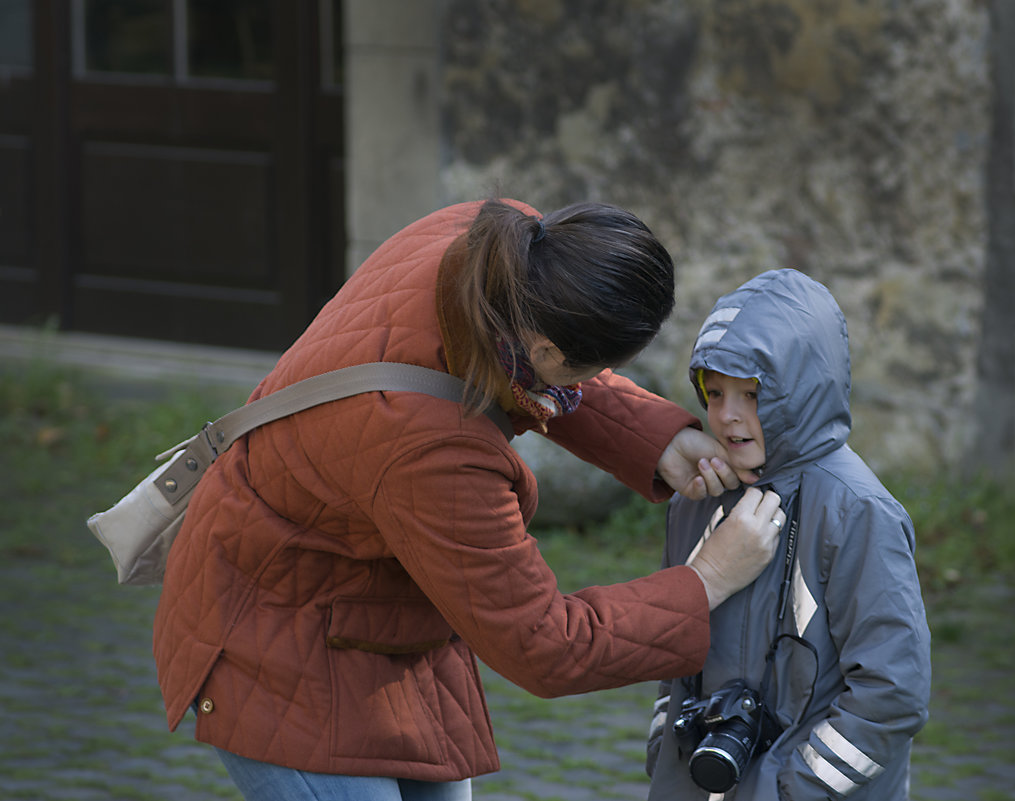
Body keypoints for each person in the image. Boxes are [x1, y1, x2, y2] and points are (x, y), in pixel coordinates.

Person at [152, 198, 786, 801]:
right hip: (270, 641)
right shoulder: (435, 450)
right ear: (546, 354)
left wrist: (655, 436)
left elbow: (524, 365)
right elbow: (545, 642)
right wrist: (704, 581)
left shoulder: (505, 244)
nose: (589, 384)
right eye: (587, 373)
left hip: (378, 614)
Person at [646, 269, 931, 800]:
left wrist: (791, 789)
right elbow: (674, 642)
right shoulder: (696, 497)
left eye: (753, 395)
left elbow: (892, 692)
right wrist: (667, 743)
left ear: (803, 390)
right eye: (714, 392)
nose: (728, 417)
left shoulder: (857, 513)